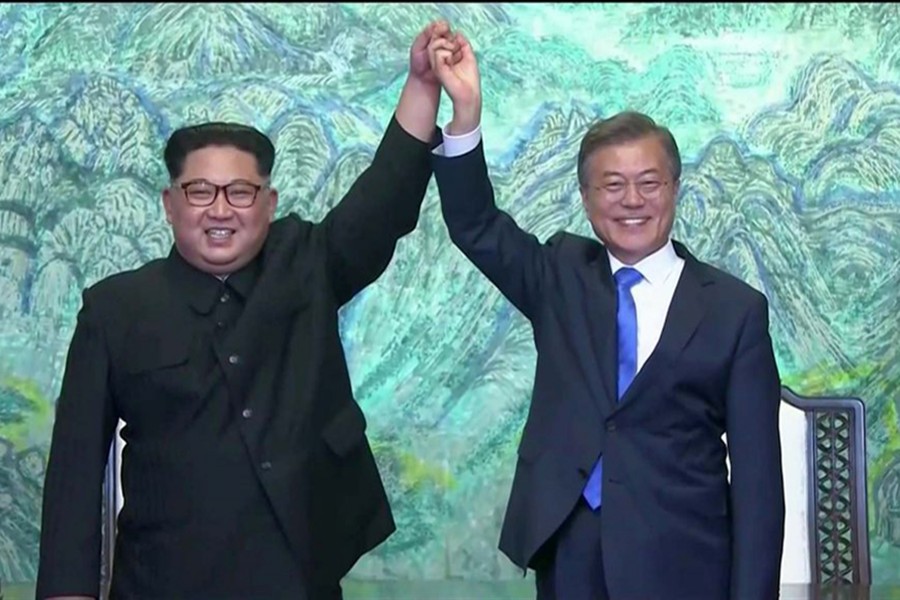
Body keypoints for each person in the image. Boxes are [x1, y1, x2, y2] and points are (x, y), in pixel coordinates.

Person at [36, 20, 466, 600]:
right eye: (199, 191)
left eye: (240, 192)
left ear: (268, 204)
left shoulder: (306, 264)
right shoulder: (113, 310)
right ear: (170, 204)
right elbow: (75, 472)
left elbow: (383, 200)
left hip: (295, 580)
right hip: (160, 581)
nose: (221, 209)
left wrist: (422, 85)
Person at [426, 30, 786, 600]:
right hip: (571, 554)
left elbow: (760, 484)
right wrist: (466, 112)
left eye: (649, 183)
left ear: (674, 190)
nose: (632, 200)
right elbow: (476, 224)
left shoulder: (735, 311)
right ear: (588, 198)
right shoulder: (561, 275)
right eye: (612, 185)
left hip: (686, 562)